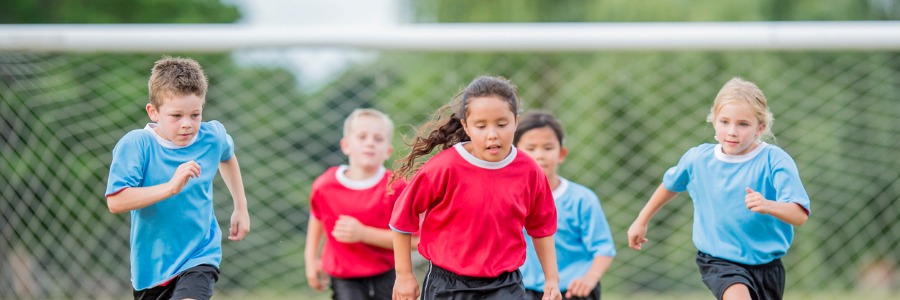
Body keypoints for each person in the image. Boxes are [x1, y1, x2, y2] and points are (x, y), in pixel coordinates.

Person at [627, 77, 811, 300]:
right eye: (724, 122)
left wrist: (768, 205)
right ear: (714, 121)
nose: (732, 131)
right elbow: (670, 184)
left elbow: (799, 215)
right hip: (719, 260)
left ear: (760, 128)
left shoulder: (775, 161)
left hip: (767, 266)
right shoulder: (698, 159)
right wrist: (642, 220)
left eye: (743, 124)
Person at [389, 75, 563, 300]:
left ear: (516, 122)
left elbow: (542, 228)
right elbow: (402, 219)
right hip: (447, 285)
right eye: (481, 126)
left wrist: (552, 279)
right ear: (466, 126)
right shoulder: (445, 167)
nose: (492, 134)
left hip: (505, 284)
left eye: (502, 124)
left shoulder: (529, 170)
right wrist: (404, 275)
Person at [105, 56, 251, 300]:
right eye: (176, 116)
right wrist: (170, 187)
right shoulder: (136, 145)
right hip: (151, 269)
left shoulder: (212, 136)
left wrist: (241, 207)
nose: (187, 124)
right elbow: (116, 202)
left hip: (200, 254)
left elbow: (227, 156)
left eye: (195, 115)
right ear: (153, 112)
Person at [304, 108, 408, 300]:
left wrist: (363, 234)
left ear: (388, 151)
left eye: (378, 139)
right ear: (345, 145)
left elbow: (414, 241)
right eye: (362, 137)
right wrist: (311, 259)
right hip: (344, 275)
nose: (370, 143)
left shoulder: (397, 187)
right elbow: (317, 216)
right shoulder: (325, 185)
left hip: (387, 272)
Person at [514, 111, 616, 300]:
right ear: (515, 153)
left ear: (561, 154)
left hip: (572, 291)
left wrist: (590, 278)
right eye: (531, 148)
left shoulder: (582, 199)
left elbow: (604, 249)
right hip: (522, 289)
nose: (540, 155)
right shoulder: (509, 199)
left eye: (548, 147)